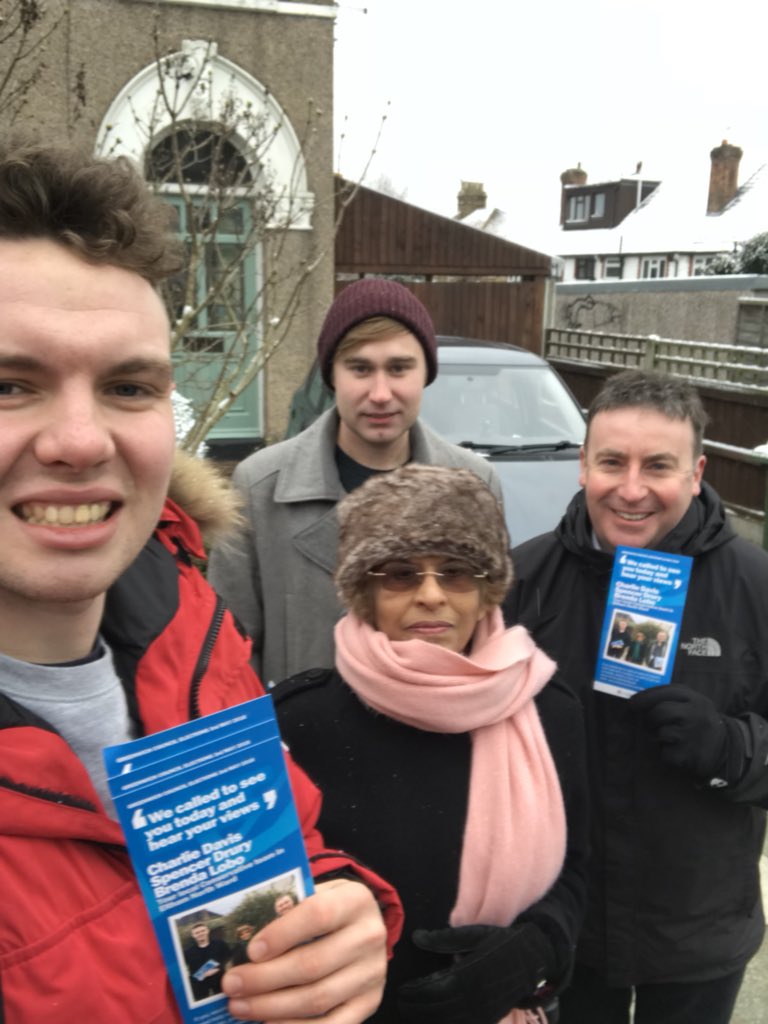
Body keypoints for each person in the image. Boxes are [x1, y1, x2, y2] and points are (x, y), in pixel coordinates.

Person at [0, 137, 402, 1024]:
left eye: (128, 387)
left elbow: (272, 865)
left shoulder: (188, 621)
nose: (80, 440)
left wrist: (339, 921)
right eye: (9, 384)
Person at [273, 465, 589, 1023]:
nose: (430, 595)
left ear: (488, 588)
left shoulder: (547, 708)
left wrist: (538, 949)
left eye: (457, 573)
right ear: (364, 590)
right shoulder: (302, 724)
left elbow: (579, 867)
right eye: (399, 574)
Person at [503, 369, 768, 1024]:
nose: (631, 489)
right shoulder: (523, 581)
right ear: (582, 466)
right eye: (611, 462)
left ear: (698, 471)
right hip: (567, 923)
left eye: (659, 466)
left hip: (697, 935)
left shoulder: (757, 587)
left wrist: (733, 749)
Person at [208, 278, 502, 685]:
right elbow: (230, 651)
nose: (380, 393)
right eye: (360, 368)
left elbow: (487, 635)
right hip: (302, 740)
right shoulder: (260, 486)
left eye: (399, 368)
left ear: (426, 375)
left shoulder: (475, 483)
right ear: (332, 375)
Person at [184, 923, 231, 1000]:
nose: (200, 934)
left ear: (208, 931)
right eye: (197, 933)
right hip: (200, 987)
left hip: (221, 981)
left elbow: (229, 959)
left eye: (203, 931)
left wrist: (218, 969)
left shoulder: (220, 944)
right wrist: (201, 975)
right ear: (193, 935)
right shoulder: (188, 952)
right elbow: (187, 972)